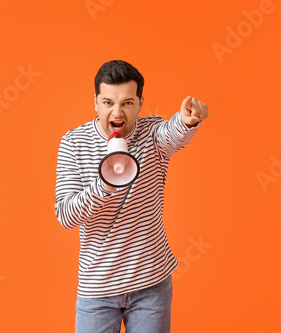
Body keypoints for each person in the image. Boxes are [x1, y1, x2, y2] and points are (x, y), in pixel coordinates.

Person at [55, 60, 208, 333]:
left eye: (127, 103)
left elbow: (173, 132)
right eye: (108, 102)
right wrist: (104, 184)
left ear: (140, 103)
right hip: (98, 289)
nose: (117, 112)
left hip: (151, 285)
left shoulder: (152, 134)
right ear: (95, 103)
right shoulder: (73, 143)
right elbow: (66, 216)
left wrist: (188, 120)